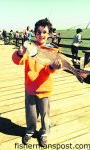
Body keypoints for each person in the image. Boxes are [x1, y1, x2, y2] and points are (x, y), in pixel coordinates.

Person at [12, 18, 62, 147]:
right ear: (35, 33)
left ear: (49, 34)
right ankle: (30, 130)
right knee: (31, 114)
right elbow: (17, 61)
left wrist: (53, 67)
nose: (41, 35)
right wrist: (19, 53)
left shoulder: (52, 50)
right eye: (38, 32)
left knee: (45, 115)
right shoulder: (30, 46)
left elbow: (49, 69)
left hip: (45, 88)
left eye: (44, 32)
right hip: (30, 88)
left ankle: (44, 133)